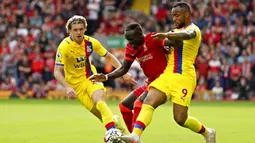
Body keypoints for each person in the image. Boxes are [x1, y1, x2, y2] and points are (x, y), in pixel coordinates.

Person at [110, 2, 216, 143]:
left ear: (187, 14)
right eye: (173, 16)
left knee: (180, 119)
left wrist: (166, 35)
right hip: (166, 75)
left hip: (184, 76)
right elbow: (166, 44)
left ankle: (207, 132)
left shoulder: (194, 29)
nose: (174, 19)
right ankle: (135, 136)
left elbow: (188, 35)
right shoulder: (172, 32)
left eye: (177, 15)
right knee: (148, 101)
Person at [54, 15, 135, 134]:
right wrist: (67, 87)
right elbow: (57, 71)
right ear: (69, 31)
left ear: (85, 29)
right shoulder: (64, 46)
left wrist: (124, 72)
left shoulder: (91, 42)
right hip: (76, 86)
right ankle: (115, 124)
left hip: (91, 77)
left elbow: (109, 56)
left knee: (100, 101)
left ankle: (113, 132)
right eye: (75, 30)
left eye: (81, 29)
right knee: (100, 115)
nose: (78, 32)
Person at [89, 22, 173, 134]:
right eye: (128, 40)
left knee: (138, 104)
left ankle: (134, 138)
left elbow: (172, 42)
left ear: (140, 34)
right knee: (124, 106)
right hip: (150, 83)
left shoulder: (153, 38)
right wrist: (106, 76)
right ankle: (134, 138)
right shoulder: (131, 47)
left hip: (163, 81)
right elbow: (123, 69)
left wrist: (172, 36)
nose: (130, 44)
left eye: (132, 40)